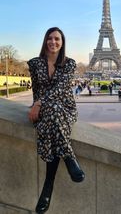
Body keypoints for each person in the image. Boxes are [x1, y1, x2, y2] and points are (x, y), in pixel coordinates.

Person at [27, 27, 85, 214]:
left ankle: (48, 185)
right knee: (52, 113)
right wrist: (38, 104)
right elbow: (37, 88)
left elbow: (61, 89)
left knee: (55, 111)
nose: (53, 42)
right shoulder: (35, 63)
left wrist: (39, 103)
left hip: (65, 108)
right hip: (45, 110)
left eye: (57, 39)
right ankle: (68, 157)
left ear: (62, 41)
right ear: (45, 41)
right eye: (50, 38)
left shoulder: (69, 64)